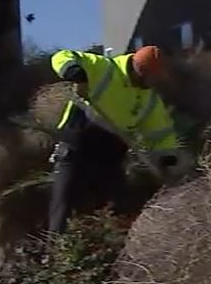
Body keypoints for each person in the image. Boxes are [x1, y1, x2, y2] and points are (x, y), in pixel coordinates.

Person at [46, 45, 192, 234]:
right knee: (63, 206)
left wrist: (166, 155)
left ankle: (106, 254)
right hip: (77, 147)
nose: (154, 82)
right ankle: (54, 255)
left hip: (110, 156)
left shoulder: (148, 98)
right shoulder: (103, 68)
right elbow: (63, 55)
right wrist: (71, 69)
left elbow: (159, 130)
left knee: (118, 210)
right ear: (139, 70)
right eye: (151, 77)